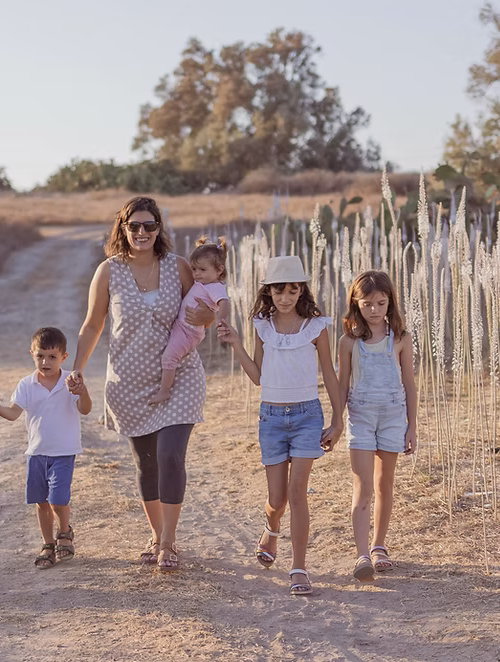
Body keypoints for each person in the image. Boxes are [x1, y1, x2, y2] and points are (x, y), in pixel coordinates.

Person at [65, 196, 215, 571]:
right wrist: (78, 368)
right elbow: (93, 324)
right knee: (146, 464)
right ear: (123, 228)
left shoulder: (178, 267)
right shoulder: (108, 272)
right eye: (134, 226)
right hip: (129, 382)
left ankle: (169, 541)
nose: (142, 232)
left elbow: (203, 306)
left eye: (150, 225)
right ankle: (156, 533)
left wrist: (208, 317)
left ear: (159, 228)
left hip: (179, 375)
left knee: (170, 456)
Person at [216, 255, 342, 596]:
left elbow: (329, 374)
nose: (285, 297)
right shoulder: (262, 326)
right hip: (271, 418)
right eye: (278, 291)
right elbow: (258, 376)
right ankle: (271, 529)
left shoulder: (316, 327)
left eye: (292, 290)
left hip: (307, 416)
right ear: (268, 292)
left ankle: (299, 568)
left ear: (302, 291)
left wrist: (337, 419)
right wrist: (237, 344)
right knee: (278, 498)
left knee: (298, 493)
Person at [334, 270, 417, 582]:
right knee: (363, 488)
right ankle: (362, 555)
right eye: (367, 304)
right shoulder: (348, 343)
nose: (374, 310)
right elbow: (342, 385)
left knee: (385, 485)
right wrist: (337, 421)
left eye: (381, 303)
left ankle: (379, 545)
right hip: (361, 418)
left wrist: (412, 426)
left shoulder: (401, 339)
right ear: (356, 303)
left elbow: (409, 384)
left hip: (393, 418)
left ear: (390, 302)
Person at [0, 327, 92, 569]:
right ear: (32, 354)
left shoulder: (71, 381)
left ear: (64, 357)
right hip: (36, 453)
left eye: (52, 356)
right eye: (40, 356)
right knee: (41, 502)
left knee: (58, 500)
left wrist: (83, 392)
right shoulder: (26, 385)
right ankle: (48, 545)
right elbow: (13, 413)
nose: (45, 362)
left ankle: (65, 533)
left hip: (63, 452)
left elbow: (85, 409)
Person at [149, 236, 231, 405]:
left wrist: (221, 320)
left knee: (170, 357)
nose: (197, 274)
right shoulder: (204, 283)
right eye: (194, 269)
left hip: (189, 331)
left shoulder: (215, 287)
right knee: (167, 352)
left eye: (202, 270)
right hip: (183, 326)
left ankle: (164, 391)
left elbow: (224, 302)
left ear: (219, 270)